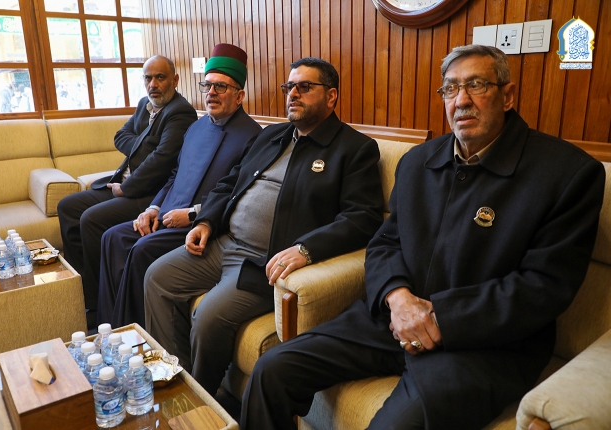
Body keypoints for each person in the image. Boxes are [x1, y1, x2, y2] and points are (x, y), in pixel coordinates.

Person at [241, 45, 606, 430]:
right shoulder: (418, 161)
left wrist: (436, 316)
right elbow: (385, 243)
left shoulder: (567, 174)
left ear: (508, 95)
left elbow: (542, 287)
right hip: (391, 321)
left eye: (476, 85)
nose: (461, 100)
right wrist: (398, 299)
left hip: (485, 346)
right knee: (272, 370)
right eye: (450, 89)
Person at [143, 57, 385, 397]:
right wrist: (207, 221)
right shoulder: (272, 135)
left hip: (264, 262)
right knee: (157, 277)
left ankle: (201, 401)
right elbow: (229, 183)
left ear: (331, 96)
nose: (293, 94)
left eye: (304, 87)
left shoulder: (355, 149)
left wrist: (306, 249)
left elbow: (363, 218)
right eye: (290, 87)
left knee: (209, 316)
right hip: (223, 243)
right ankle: (175, 381)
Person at [97, 43, 262, 329]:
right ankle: (110, 326)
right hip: (167, 213)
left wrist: (194, 213)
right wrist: (153, 207)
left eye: (221, 87)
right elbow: (174, 175)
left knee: (142, 249)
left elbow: (240, 194)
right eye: (207, 86)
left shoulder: (253, 137)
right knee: (112, 238)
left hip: (200, 223)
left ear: (240, 95)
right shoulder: (196, 127)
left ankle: (137, 336)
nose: (211, 93)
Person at [57, 55, 198, 327]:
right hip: (122, 182)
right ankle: (84, 291)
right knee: (68, 207)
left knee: (90, 219)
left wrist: (126, 188)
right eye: (148, 78)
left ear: (175, 80)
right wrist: (147, 145)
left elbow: (162, 161)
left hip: (147, 193)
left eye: (160, 77)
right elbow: (120, 136)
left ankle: (96, 305)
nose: (153, 84)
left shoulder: (181, 112)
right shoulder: (145, 104)